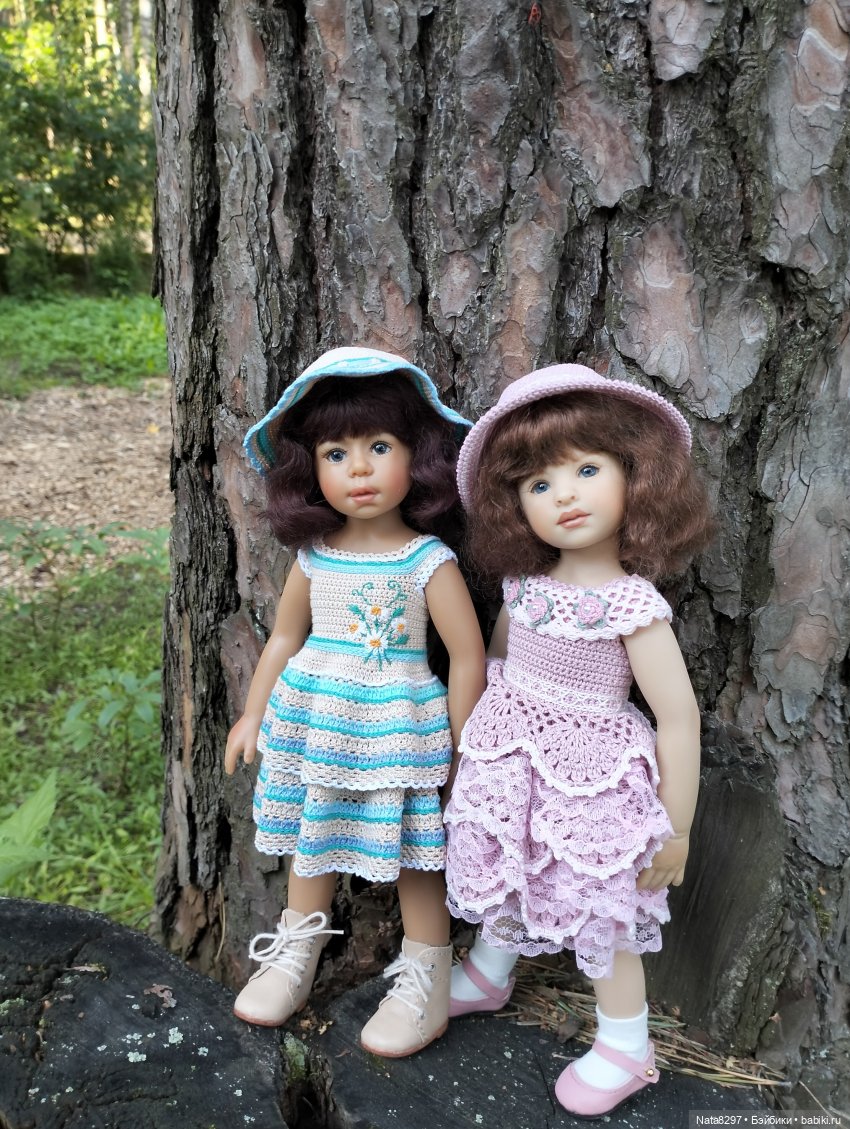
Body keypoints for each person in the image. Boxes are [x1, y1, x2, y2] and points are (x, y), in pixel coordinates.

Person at [443, 363, 713, 1117]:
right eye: (539, 483)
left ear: (636, 477)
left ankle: (626, 1042)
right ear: (514, 506)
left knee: (602, 905)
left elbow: (679, 716)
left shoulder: (631, 607)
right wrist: (483, 747)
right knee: (507, 864)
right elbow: (499, 664)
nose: (564, 495)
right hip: (513, 761)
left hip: (592, 777)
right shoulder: (524, 589)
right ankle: (490, 969)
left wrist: (677, 827)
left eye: (587, 470)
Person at [226, 346, 485, 1058]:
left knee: (416, 851)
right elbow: (285, 636)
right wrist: (253, 713)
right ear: (309, 469)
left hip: (400, 726)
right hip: (317, 723)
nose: (360, 470)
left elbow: (466, 654)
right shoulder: (316, 556)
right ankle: (298, 948)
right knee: (313, 835)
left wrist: (464, 743)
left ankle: (428, 972)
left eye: (379, 447)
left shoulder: (425, 560)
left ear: (417, 456)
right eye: (336, 454)